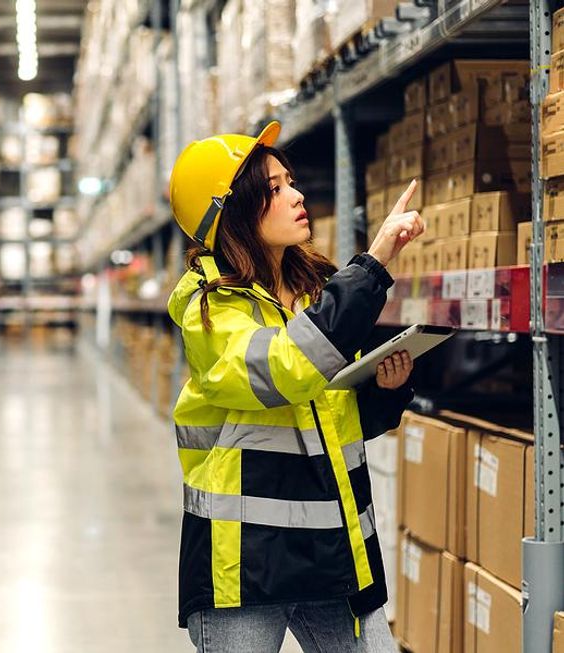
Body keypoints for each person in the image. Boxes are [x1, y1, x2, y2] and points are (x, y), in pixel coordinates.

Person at [166, 122, 425, 652]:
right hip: (247, 564)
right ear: (232, 212)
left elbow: (332, 415)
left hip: (334, 550)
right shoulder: (210, 313)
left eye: (291, 182)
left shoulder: (312, 292)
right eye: (275, 189)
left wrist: (382, 391)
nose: (298, 196)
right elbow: (285, 369)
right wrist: (371, 266)